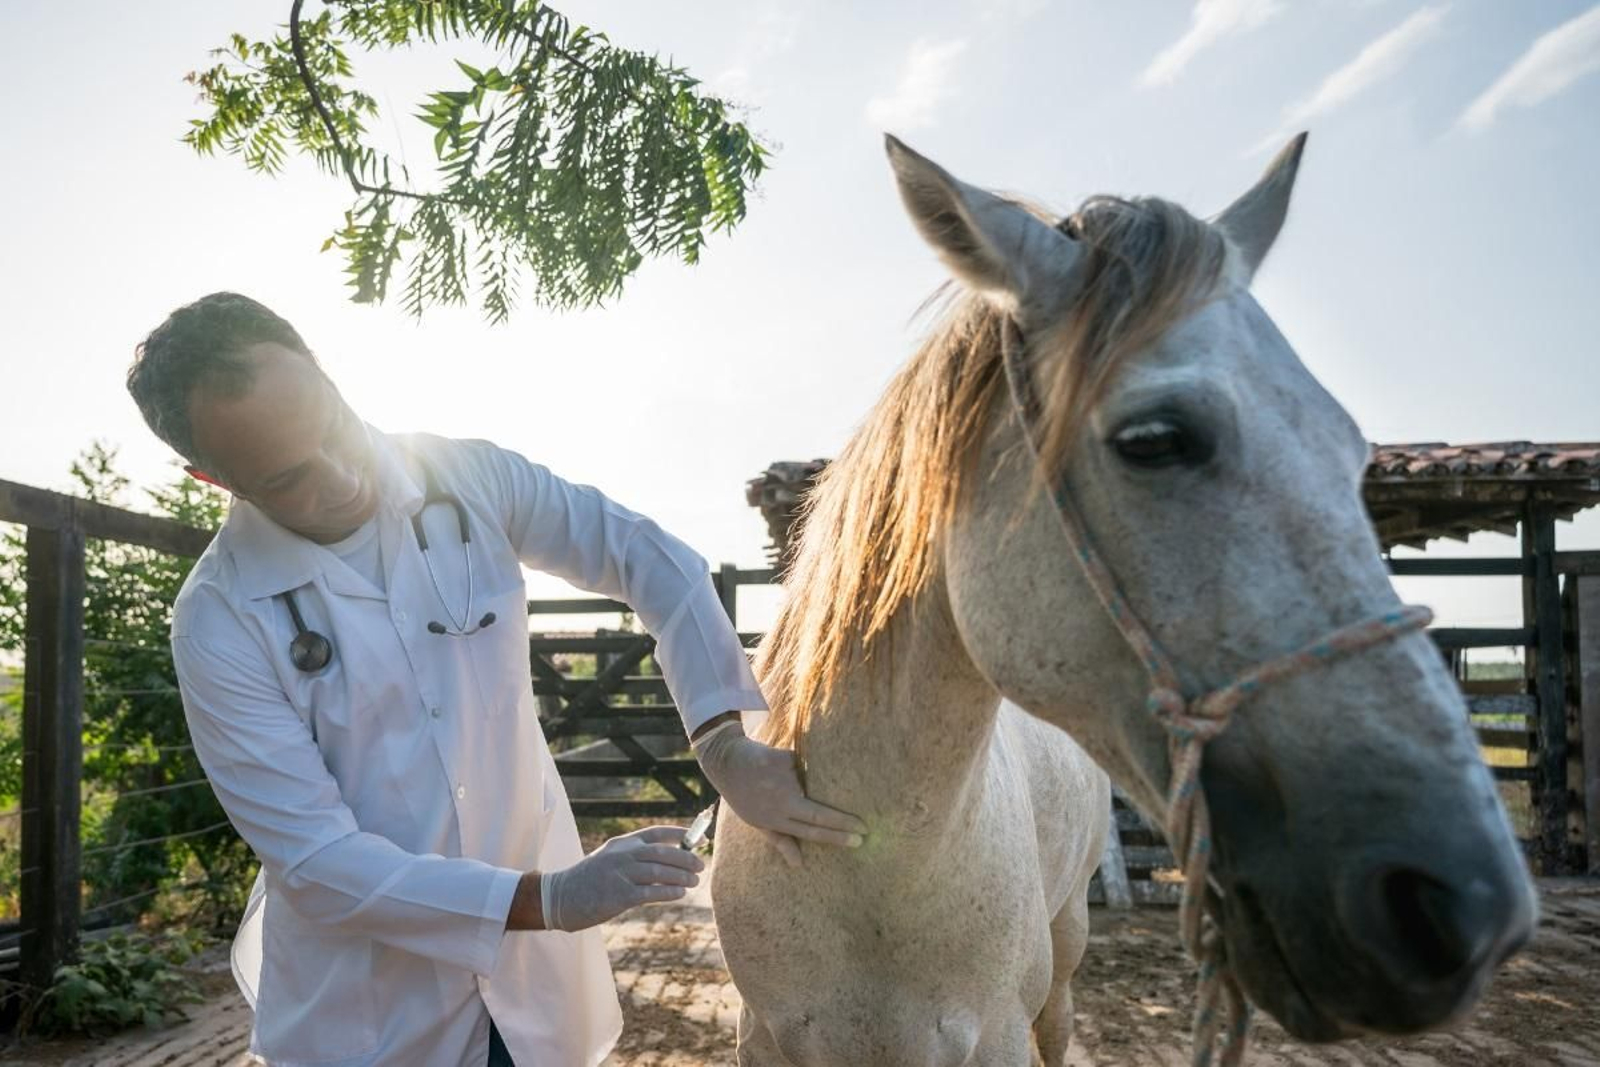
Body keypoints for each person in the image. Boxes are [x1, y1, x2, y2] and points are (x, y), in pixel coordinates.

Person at [126, 292, 866, 1067]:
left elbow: (651, 560)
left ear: (323, 370)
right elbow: (318, 863)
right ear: (212, 478)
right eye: (288, 477)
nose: (342, 477)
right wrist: (546, 898)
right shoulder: (218, 617)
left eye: (333, 424)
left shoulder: (463, 476)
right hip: (369, 1020)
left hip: (531, 1003)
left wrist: (725, 747)